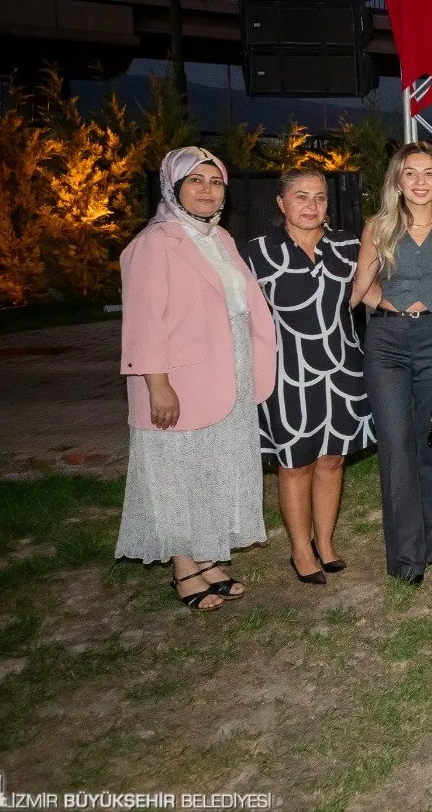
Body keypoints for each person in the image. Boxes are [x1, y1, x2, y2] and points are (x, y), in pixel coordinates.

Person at [116, 147, 277, 611]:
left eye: (215, 182)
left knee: (216, 467)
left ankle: (209, 557)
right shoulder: (155, 243)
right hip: (180, 379)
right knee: (177, 471)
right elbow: (145, 321)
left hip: (230, 373)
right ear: (173, 187)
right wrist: (157, 384)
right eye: (196, 181)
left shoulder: (221, 239)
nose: (207, 190)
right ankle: (184, 566)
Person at [244, 168, 374, 585]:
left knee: (333, 458)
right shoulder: (255, 253)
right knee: (295, 462)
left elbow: (367, 292)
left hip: (342, 365)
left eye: (319, 197)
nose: (311, 206)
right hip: (287, 370)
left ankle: (326, 542)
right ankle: (301, 549)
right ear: (281, 203)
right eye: (300, 197)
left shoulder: (347, 246)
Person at [352, 143, 432, 585]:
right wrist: (379, 306)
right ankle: (408, 556)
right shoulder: (379, 227)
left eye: (429, 174)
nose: (420, 182)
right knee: (397, 449)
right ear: (397, 181)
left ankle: (431, 538)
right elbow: (363, 282)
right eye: (410, 174)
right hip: (388, 345)